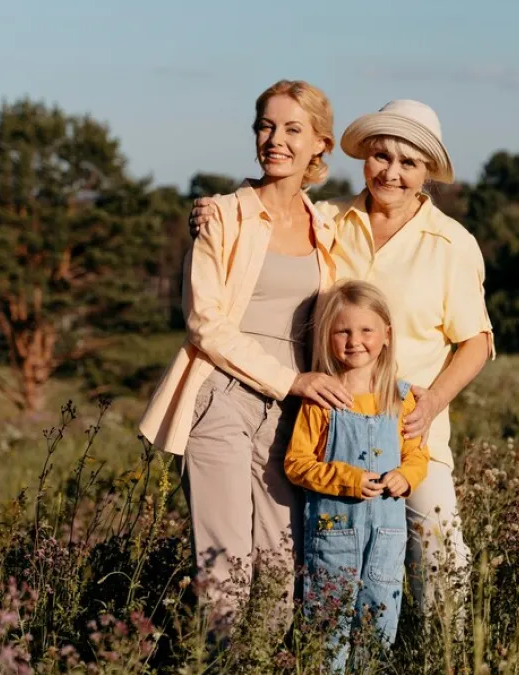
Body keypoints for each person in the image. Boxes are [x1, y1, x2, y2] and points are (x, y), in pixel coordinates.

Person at [190, 99, 495, 622]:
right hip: (323, 426)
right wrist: (215, 208)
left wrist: (434, 402)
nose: (391, 173)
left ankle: (439, 653)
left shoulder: (452, 244)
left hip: (408, 431)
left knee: (438, 549)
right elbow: (270, 210)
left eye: (408, 163)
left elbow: (478, 342)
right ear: (364, 159)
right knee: (321, 556)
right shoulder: (326, 220)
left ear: (427, 173)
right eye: (381, 157)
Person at [138, 79, 356, 633]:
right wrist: (291, 381)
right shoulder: (224, 216)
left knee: (282, 572)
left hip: (292, 415)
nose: (274, 140)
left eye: (291, 129)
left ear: (319, 146)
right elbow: (205, 324)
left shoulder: (327, 225)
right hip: (224, 398)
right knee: (225, 573)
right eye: (265, 126)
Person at [283, 279, 429, 671]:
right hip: (333, 536)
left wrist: (406, 477)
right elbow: (297, 463)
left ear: (386, 335)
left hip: (387, 537)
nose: (354, 341)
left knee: (378, 623)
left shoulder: (401, 398)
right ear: (328, 337)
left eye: (366, 330)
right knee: (327, 625)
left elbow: (417, 455)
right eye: (342, 331)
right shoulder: (322, 399)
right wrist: (345, 479)